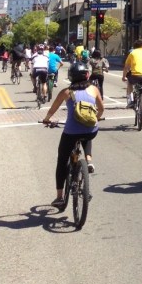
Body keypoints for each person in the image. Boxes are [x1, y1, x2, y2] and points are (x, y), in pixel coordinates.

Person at [42, 62, 104, 206]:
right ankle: (88, 160)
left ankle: (59, 197)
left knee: (62, 161)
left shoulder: (66, 92)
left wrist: (46, 119)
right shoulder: (94, 89)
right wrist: (96, 118)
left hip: (71, 132)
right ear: (87, 75)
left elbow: (52, 110)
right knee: (88, 133)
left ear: (70, 77)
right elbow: (101, 109)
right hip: (91, 130)